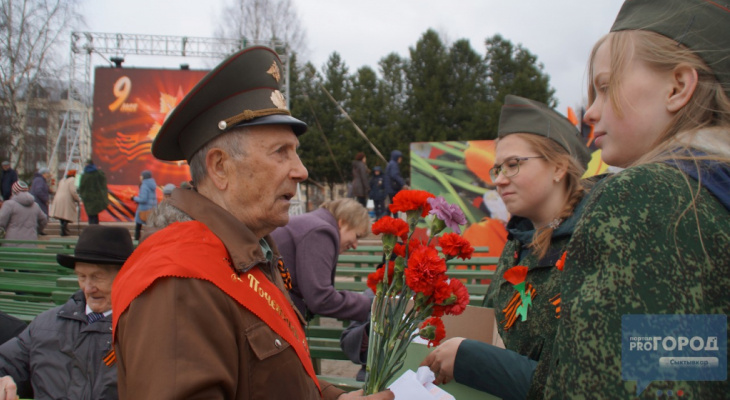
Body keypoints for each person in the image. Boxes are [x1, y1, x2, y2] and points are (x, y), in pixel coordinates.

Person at [111, 46, 393, 400]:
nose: (301, 170)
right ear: (220, 168)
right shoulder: (179, 284)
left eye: (296, 151)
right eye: (281, 152)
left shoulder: (247, 250)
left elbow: (272, 375)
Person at [544, 1, 730, 398]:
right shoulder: (709, 197)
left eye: (606, 87)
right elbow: (686, 367)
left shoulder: (650, 198)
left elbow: (636, 387)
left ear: (678, 87)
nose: (591, 111)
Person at [420, 95, 592, 400]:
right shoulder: (518, 241)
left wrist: (472, 359)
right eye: (497, 169)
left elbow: (587, 385)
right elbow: (493, 325)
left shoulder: (592, 244)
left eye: (513, 165)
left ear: (559, 168)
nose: (499, 181)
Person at [0, 225, 133, 400]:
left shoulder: (142, 331)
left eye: (97, 277)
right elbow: (7, 361)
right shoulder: (45, 325)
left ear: (125, 276)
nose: (88, 288)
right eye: (81, 276)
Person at [271, 198, 372, 322]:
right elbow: (320, 298)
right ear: (343, 222)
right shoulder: (321, 231)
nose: (355, 245)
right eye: (357, 236)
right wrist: (369, 304)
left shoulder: (314, 223)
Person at [0, 181, 47, 247]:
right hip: (31, 245)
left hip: (11, 245)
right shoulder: (35, 205)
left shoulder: (9, 204)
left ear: (13, 192)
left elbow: (1, 222)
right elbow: (44, 219)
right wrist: (35, 231)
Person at [50, 169, 80, 236]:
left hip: (58, 198)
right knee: (67, 214)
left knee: (62, 215)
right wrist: (78, 199)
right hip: (66, 199)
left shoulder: (62, 180)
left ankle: (63, 228)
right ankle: (64, 228)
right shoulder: (72, 180)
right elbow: (73, 191)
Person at [78, 159, 109, 224]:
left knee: (91, 215)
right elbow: (103, 181)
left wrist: (81, 194)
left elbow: (81, 187)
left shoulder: (85, 175)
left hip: (88, 198)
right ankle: (95, 228)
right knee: (94, 214)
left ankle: (92, 229)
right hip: (96, 198)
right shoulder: (98, 173)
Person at [131, 170, 157, 241]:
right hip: (151, 209)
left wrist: (134, 198)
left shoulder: (144, 185)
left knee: (138, 227)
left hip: (143, 210)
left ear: (144, 177)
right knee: (150, 227)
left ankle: (136, 241)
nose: (140, 177)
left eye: (141, 175)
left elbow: (143, 199)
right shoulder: (152, 185)